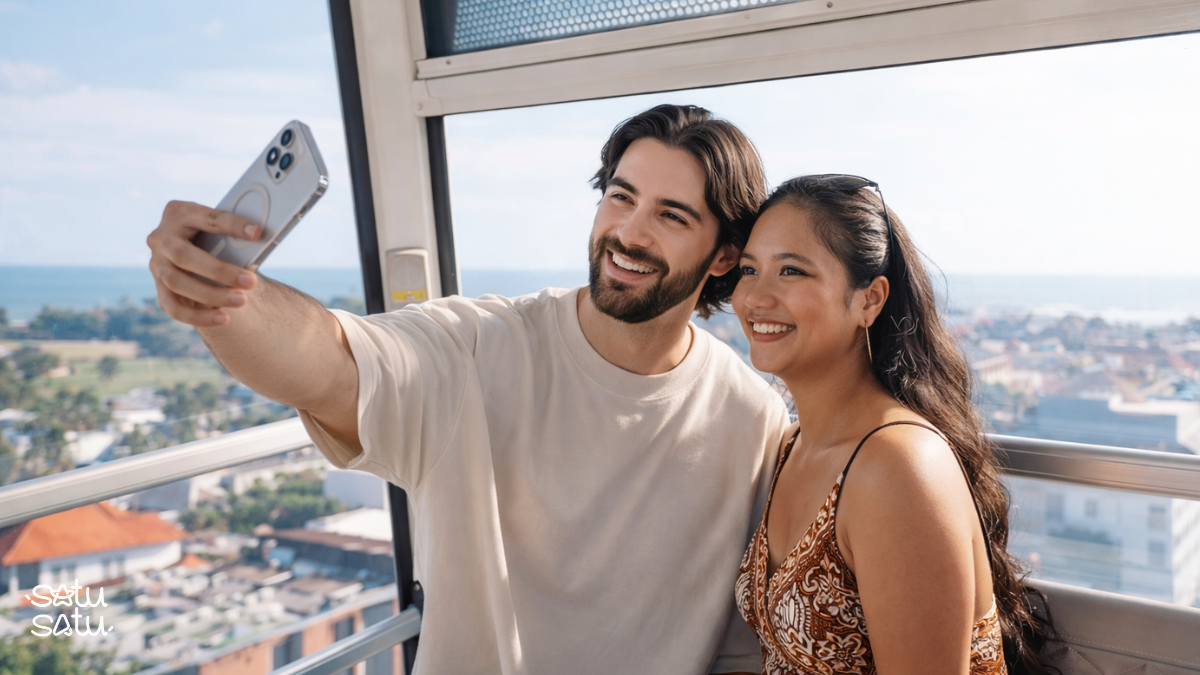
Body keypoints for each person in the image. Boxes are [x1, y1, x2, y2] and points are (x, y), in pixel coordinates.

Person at [146, 104, 789, 674]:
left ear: (725, 256)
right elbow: (329, 362)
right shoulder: (476, 347)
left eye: (671, 216)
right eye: (620, 197)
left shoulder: (751, 417)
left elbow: (742, 639)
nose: (629, 232)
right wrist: (223, 296)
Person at [730, 175, 1055, 674]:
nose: (754, 297)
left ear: (869, 300)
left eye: (791, 271)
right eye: (749, 269)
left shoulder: (897, 464)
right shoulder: (792, 445)